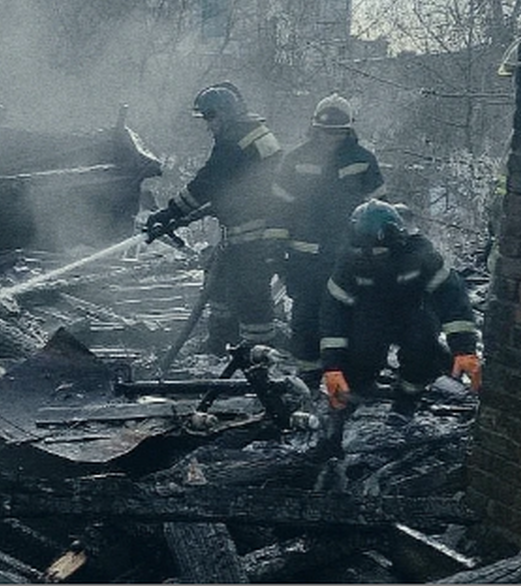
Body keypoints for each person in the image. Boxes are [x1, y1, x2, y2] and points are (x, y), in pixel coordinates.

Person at [144, 81, 284, 354]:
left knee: (250, 293)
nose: (208, 125)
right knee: (219, 284)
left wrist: (171, 212)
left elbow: (208, 181)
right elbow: (235, 183)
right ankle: (221, 345)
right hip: (251, 224)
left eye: (211, 117)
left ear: (226, 112)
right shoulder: (254, 132)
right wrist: (199, 211)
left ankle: (259, 353)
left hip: (255, 230)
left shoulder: (235, 141)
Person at [318, 199, 482, 424]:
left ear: (396, 240)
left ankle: (406, 401)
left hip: (414, 312)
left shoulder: (421, 254)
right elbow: (334, 313)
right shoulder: (350, 259)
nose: (370, 257)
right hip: (371, 315)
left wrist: (464, 349)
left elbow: (452, 298)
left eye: (378, 251)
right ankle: (355, 392)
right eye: (364, 250)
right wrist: (333, 366)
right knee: (360, 351)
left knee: (421, 349)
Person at [272, 93, 385, 388]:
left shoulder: (363, 160)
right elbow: (279, 210)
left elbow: (379, 209)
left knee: (353, 314)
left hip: (349, 256)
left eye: (337, 132)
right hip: (304, 258)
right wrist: (275, 251)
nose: (331, 138)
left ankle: (352, 376)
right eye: (326, 131)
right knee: (307, 316)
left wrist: (381, 250)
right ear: (315, 128)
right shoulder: (295, 159)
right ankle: (309, 373)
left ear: (348, 129)